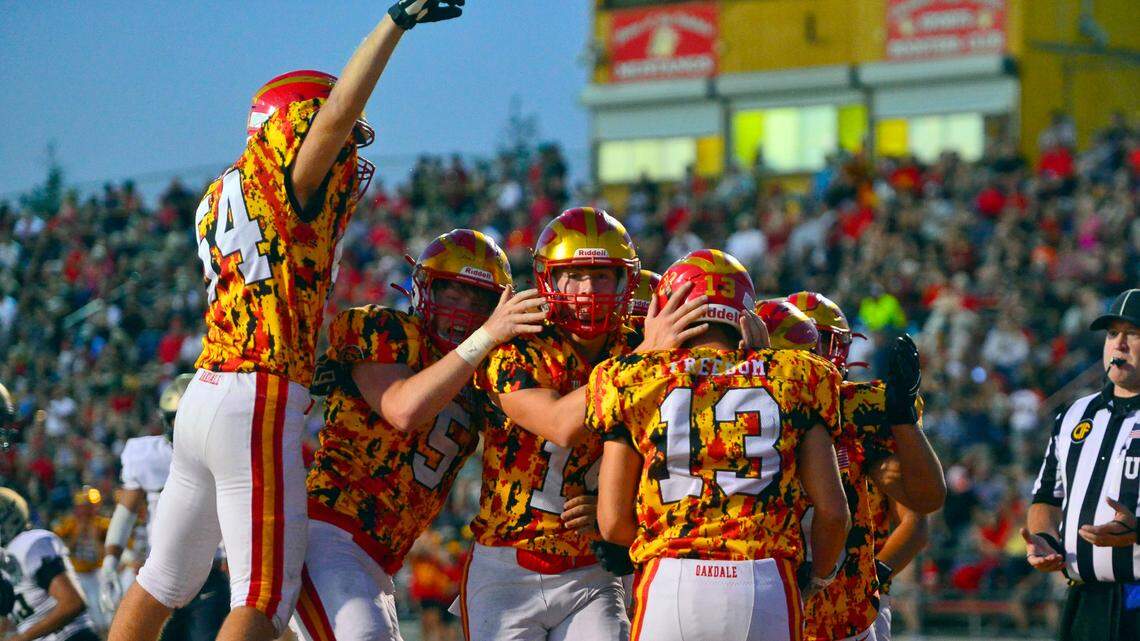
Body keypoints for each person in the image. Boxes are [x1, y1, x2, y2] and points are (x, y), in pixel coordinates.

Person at [108, 3, 466, 640]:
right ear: (295, 129)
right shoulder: (288, 175)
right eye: (346, 136)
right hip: (257, 394)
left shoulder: (222, 191)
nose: (350, 151)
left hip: (205, 391)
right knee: (266, 597)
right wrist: (395, 24)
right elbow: (327, 125)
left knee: (165, 577)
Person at [457, 207, 702, 640]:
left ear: (626, 281)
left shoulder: (639, 345)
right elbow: (559, 424)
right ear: (549, 279)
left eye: (602, 276)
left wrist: (619, 506)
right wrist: (643, 359)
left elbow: (684, 452)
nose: (589, 289)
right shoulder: (519, 342)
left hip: (591, 570)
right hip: (507, 566)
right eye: (575, 275)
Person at [291, 230, 545, 641]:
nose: (462, 310)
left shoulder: (485, 373)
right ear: (425, 289)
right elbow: (402, 409)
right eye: (451, 293)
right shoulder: (383, 329)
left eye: (476, 299)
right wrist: (485, 337)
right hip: (330, 531)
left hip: (381, 559)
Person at [589, 250, 850, 641]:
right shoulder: (798, 375)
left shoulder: (629, 378)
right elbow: (832, 512)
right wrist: (819, 578)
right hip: (764, 578)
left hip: (671, 578)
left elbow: (611, 522)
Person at [786, 291, 944, 641]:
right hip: (779, 589)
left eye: (818, 341)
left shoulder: (862, 415)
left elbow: (921, 511)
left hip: (849, 600)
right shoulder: (754, 410)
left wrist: (877, 576)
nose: (807, 354)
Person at [1026, 289, 1140, 640]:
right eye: (1111, 334)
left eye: (1133, 333)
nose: (1118, 345)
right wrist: (1045, 539)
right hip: (1084, 598)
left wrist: (1136, 531)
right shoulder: (1076, 413)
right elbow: (1046, 497)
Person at [100, 374, 230, 641]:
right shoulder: (148, 455)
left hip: (211, 569)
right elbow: (126, 512)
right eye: (174, 418)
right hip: (161, 572)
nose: (179, 425)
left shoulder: (223, 449)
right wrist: (110, 561)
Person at [0, 488, 99, 641]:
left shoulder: (28, 544)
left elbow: (72, 602)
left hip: (71, 637)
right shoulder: (5, 560)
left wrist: (23, 637)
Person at [52, 489, 109, 632]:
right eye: (84, 507)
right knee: (86, 614)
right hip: (77, 574)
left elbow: (106, 553)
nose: (86, 511)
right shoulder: (68, 524)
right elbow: (61, 550)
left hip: (97, 573)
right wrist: (76, 535)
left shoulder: (102, 524)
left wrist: (94, 536)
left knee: (102, 611)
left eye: (89, 507)